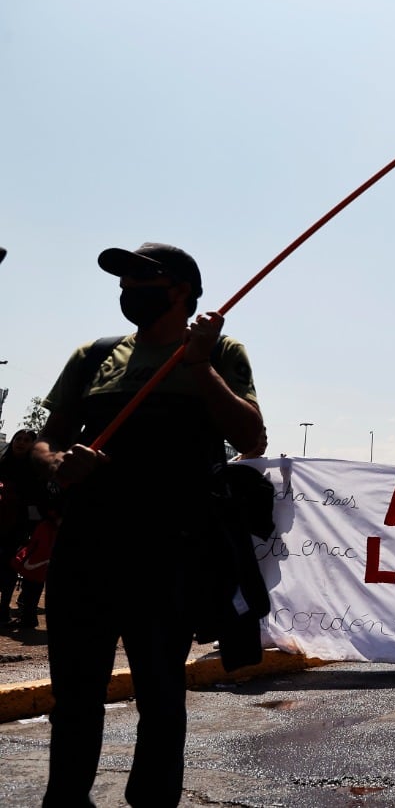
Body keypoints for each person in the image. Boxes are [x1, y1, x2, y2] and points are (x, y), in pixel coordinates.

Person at [33, 242, 264, 807]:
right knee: (75, 694)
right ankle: (65, 800)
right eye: (122, 279)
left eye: (141, 278)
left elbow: (252, 437)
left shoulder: (219, 351)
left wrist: (199, 364)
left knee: (160, 693)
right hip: (86, 548)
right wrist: (58, 462)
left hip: (171, 552)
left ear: (181, 289)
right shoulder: (94, 355)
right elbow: (44, 437)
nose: (126, 289)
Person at [0, 429, 43, 627]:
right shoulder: (3, 464)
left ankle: (20, 611)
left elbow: (38, 501)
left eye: (27, 440)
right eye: (18, 439)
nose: (21, 443)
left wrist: (33, 528)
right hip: (2, 524)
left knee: (19, 569)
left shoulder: (37, 470)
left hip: (25, 527)